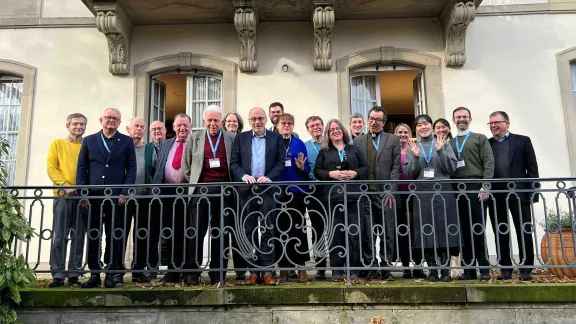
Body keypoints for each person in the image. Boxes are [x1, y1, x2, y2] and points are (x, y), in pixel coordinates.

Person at [77, 108, 136, 288]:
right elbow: (81, 168)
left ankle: (111, 274)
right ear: (101, 119)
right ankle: (94, 274)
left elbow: (131, 168)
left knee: (115, 236)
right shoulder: (89, 140)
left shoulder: (126, 141)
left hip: (116, 197)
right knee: (94, 236)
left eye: (115, 119)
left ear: (119, 123)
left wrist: (125, 192)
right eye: (109, 118)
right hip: (93, 197)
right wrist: (83, 193)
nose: (112, 121)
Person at [181, 105, 236, 286]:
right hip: (201, 191)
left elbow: (235, 164)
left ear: (221, 122)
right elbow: (187, 167)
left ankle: (218, 273)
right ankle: (192, 273)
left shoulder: (231, 138)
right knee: (196, 232)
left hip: (224, 192)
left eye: (216, 120)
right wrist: (197, 185)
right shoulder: (194, 138)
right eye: (209, 120)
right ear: (204, 121)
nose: (213, 124)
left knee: (221, 234)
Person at [230, 107, 284, 286]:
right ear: (249, 120)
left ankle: (267, 271)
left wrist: (269, 178)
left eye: (260, 118)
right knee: (250, 231)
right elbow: (234, 163)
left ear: (266, 119)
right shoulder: (241, 137)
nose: (257, 122)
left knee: (268, 230)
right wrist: (244, 176)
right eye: (253, 119)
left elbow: (280, 162)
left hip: (268, 189)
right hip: (248, 190)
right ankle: (253, 272)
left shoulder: (275, 138)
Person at [403, 114, 459, 282]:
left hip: (443, 191)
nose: (423, 127)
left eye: (426, 123)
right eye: (419, 125)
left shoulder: (444, 144)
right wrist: (413, 156)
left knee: (444, 229)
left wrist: (441, 150)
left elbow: (451, 168)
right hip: (422, 193)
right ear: (416, 129)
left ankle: (445, 270)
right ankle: (432, 269)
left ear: (431, 126)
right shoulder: (413, 146)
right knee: (426, 230)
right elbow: (410, 173)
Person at [487, 111, 539, 281]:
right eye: (491, 123)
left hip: (519, 194)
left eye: (497, 122)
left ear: (507, 123)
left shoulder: (522, 140)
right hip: (497, 195)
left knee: (523, 230)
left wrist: (534, 193)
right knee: (500, 231)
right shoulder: (487, 144)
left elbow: (532, 169)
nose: (494, 126)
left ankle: (526, 269)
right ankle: (505, 269)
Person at [314, 119, 368, 283]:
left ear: (343, 131)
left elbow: (365, 168)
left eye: (338, 128)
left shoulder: (354, 150)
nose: (335, 131)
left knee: (354, 233)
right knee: (336, 235)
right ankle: (337, 272)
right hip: (333, 198)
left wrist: (354, 173)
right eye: (332, 130)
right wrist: (331, 174)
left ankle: (354, 272)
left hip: (353, 198)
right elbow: (317, 171)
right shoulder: (324, 152)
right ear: (328, 135)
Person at [353, 106, 401, 281]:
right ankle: (371, 265)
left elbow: (397, 166)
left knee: (388, 231)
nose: (374, 122)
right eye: (371, 119)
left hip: (386, 193)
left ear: (384, 122)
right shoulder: (358, 141)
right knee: (368, 232)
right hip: (366, 193)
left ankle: (387, 267)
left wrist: (390, 189)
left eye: (378, 120)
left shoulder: (393, 139)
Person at [449, 107, 494, 281]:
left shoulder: (479, 138)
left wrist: (486, 185)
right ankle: (468, 270)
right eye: (458, 117)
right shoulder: (450, 143)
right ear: (454, 120)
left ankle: (484, 269)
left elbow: (488, 162)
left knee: (478, 228)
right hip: (457, 189)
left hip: (476, 188)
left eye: (464, 117)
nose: (461, 119)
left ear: (470, 119)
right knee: (463, 231)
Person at [47, 113, 88, 288]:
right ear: (68, 126)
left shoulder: (87, 145)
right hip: (62, 196)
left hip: (82, 197)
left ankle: (74, 274)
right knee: (59, 236)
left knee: (78, 236)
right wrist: (64, 185)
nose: (79, 127)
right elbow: (51, 167)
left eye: (82, 124)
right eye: (75, 124)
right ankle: (57, 274)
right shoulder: (57, 144)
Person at [152, 113, 192, 283]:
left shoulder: (195, 143)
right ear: (173, 127)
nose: (182, 128)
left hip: (188, 193)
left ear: (190, 127)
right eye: (179, 125)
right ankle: (172, 270)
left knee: (187, 233)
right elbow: (160, 168)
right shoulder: (166, 144)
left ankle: (188, 269)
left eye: (185, 125)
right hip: (168, 194)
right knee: (169, 233)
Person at [274, 113, 311, 283]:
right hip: (278, 192)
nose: (286, 126)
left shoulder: (299, 143)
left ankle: (301, 267)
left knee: (298, 228)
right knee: (281, 229)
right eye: (283, 123)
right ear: (277, 126)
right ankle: (284, 268)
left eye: (289, 123)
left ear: (293, 126)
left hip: (297, 191)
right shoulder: (273, 143)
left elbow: (307, 169)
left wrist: (302, 167)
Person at [125, 117, 157, 283]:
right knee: (120, 234)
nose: (138, 129)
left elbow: (155, 170)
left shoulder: (149, 149)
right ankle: (115, 271)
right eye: (135, 126)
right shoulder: (122, 147)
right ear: (128, 128)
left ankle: (138, 270)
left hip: (143, 198)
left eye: (142, 127)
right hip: (123, 199)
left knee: (141, 234)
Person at [394, 123, 426, 279]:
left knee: (417, 230)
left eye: (405, 132)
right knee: (402, 230)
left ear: (410, 133)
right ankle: (406, 266)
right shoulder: (392, 151)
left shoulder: (416, 149)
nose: (402, 134)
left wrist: (417, 155)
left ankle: (419, 265)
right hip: (398, 196)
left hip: (415, 194)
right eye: (399, 132)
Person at [303, 116, 328, 280]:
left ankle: (339, 265)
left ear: (323, 126)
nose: (316, 128)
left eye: (318, 124)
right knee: (318, 230)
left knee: (334, 228)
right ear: (308, 129)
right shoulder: (305, 146)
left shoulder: (330, 143)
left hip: (331, 189)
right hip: (312, 191)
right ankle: (321, 266)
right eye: (312, 126)